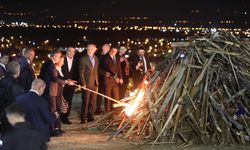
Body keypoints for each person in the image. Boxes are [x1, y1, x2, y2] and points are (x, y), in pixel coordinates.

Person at [0, 61, 24, 134]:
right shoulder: (14, 85)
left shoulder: (2, 80)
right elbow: (16, 101)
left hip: (2, 114)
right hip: (11, 115)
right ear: (18, 71)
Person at [79, 43, 99, 124]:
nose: (90, 50)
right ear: (87, 49)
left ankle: (91, 117)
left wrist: (97, 83)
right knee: (86, 102)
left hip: (94, 83)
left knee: (93, 102)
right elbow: (81, 72)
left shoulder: (96, 58)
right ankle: (83, 119)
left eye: (92, 49)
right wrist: (83, 83)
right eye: (89, 49)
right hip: (86, 84)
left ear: (95, 50)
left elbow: (96, 71)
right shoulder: (83, 59)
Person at [102, 46, 123, 112]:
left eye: (115, 51)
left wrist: (121, 78)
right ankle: (107, 112)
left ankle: (115, 112)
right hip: (108, 81)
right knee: (108, 98)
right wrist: (115, 77)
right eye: (113, 51)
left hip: (115, 82)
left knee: (116, 97)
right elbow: (106, 68)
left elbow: (119, 69)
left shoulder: (117, 57)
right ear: (110, 50)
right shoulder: (105, 57)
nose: (114, 53)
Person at [61, 47, 78, 124]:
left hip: (71, 85)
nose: (71, 53)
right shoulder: (62, 60)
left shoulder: (76, 61)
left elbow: (76, 73)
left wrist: (75, 83)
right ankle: (59, 117)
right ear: (66, 52)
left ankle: (65, 118)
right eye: (70, 51)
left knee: (69, 101)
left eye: (73, 51)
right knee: (61, 101)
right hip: (62, 84)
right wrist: (65, 81)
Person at [95, 43, 110, 115]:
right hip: (101, 78)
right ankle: (98, 109)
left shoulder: (110, 57)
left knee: (107, 94)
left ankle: (107, 109)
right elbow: (98, 68)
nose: (103, 50)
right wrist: (104, 73)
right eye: (103, 48)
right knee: (100, 94)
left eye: (105, 48)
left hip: (109, 79)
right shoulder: (100, 56)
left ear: (108, 49)